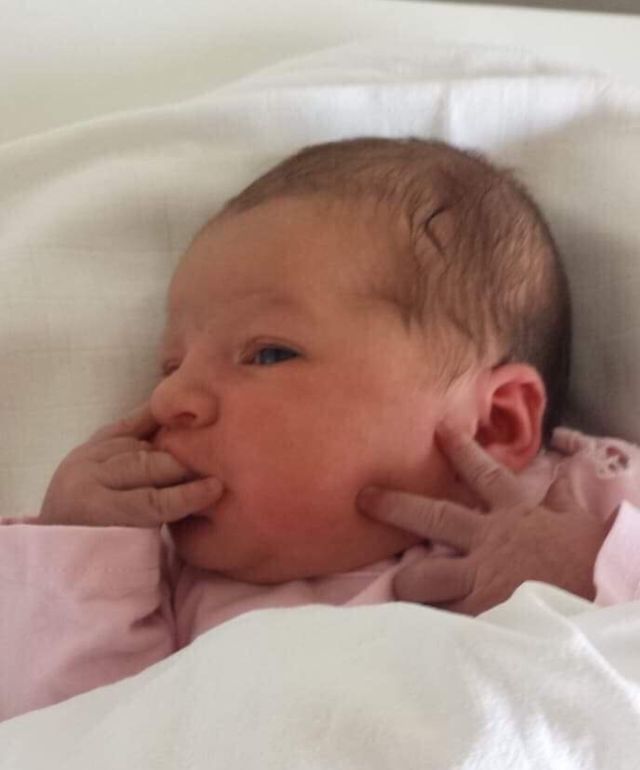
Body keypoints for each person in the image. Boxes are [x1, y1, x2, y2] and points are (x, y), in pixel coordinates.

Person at [1, 137, 639, 723]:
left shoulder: (583, 505)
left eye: (267, 353)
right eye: (170, 366)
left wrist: (594, 571)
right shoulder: (155, 586)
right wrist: (84, 557)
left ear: (497, 422)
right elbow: (67, 734)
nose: (169, 399)